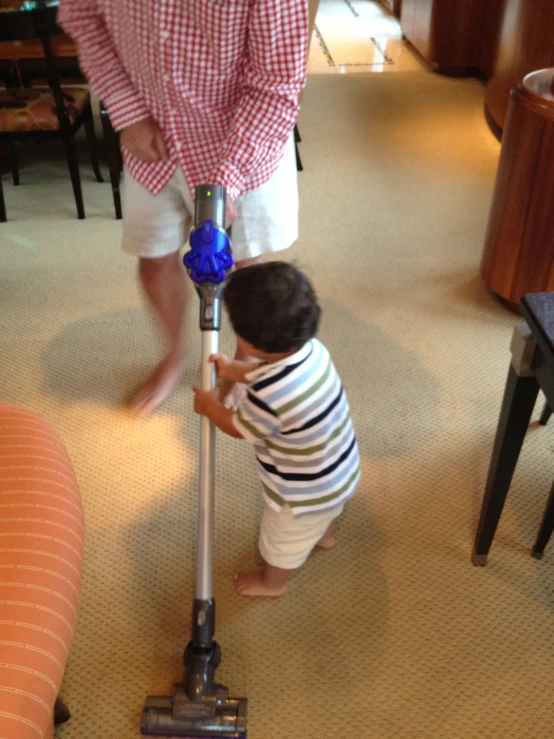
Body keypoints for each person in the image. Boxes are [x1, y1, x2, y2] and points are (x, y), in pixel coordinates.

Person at [58, 0, 309, 415]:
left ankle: (244, 361)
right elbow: (83, 18)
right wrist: (127, 111)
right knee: (154, 258)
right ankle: (174, 354)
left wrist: (228, 176)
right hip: (151, 136)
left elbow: (277, 85)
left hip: (241, 138)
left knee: (247, 268)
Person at [193, 263, 361, 597]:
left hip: (301, 493)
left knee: (281, 541)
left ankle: (273, 583)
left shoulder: (270, 398)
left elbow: (240, 428)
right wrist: (233, 370)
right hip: (340, 467)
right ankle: (325, 536)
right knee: (326, 513)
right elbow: (265, 371)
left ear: (248, 341)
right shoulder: (312, 351)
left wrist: (210, 407)